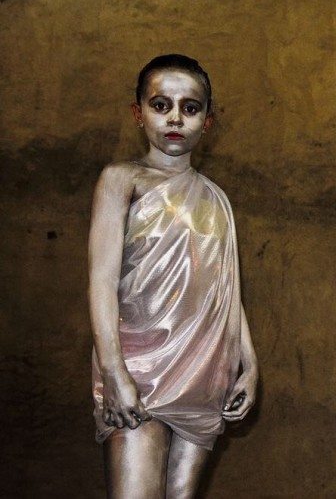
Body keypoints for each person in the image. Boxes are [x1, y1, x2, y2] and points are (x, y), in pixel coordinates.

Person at [88, 54, 258, 498]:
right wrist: (113, 372)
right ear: (138, 112)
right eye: (161, 105)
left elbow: (226, 288)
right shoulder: (122, 179)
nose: (175, 118)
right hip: (137, 369)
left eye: (190, 107)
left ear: (208, 121)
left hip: (205, 373)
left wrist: (250, 364)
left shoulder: (216, 198)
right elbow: (101, 281)